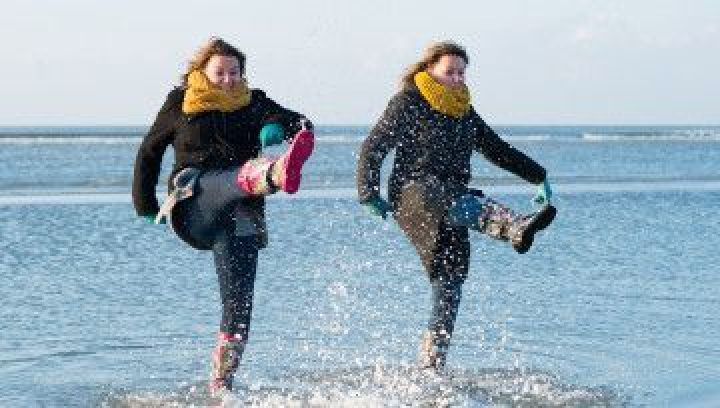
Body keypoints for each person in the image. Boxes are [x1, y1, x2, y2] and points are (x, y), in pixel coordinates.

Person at [356, 41, 556, 371]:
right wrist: (367, 192)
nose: (457, 78)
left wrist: (539, 176)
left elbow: (496, 149)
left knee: (450, 275)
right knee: (443, 196)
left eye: (462, 73)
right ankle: (513, 227)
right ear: (430, 70)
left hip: (453, 198)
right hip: (414, 195)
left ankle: (432, 364)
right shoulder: (410, 101)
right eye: (450, 72)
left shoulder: (464, 111)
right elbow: (374, 145)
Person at [132, 37, 314, 394]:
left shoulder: (254, 101)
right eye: (220, 72)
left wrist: (278, 125)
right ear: (202, 72)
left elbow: (302, 122)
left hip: (240, 215)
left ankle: (221, 386)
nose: (229, 79)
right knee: (230, 177)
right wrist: (145, 203)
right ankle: (270, 174)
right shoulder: (180, 102)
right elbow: (150, 150)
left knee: (239, 302)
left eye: (235, 72)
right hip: (193, 202)